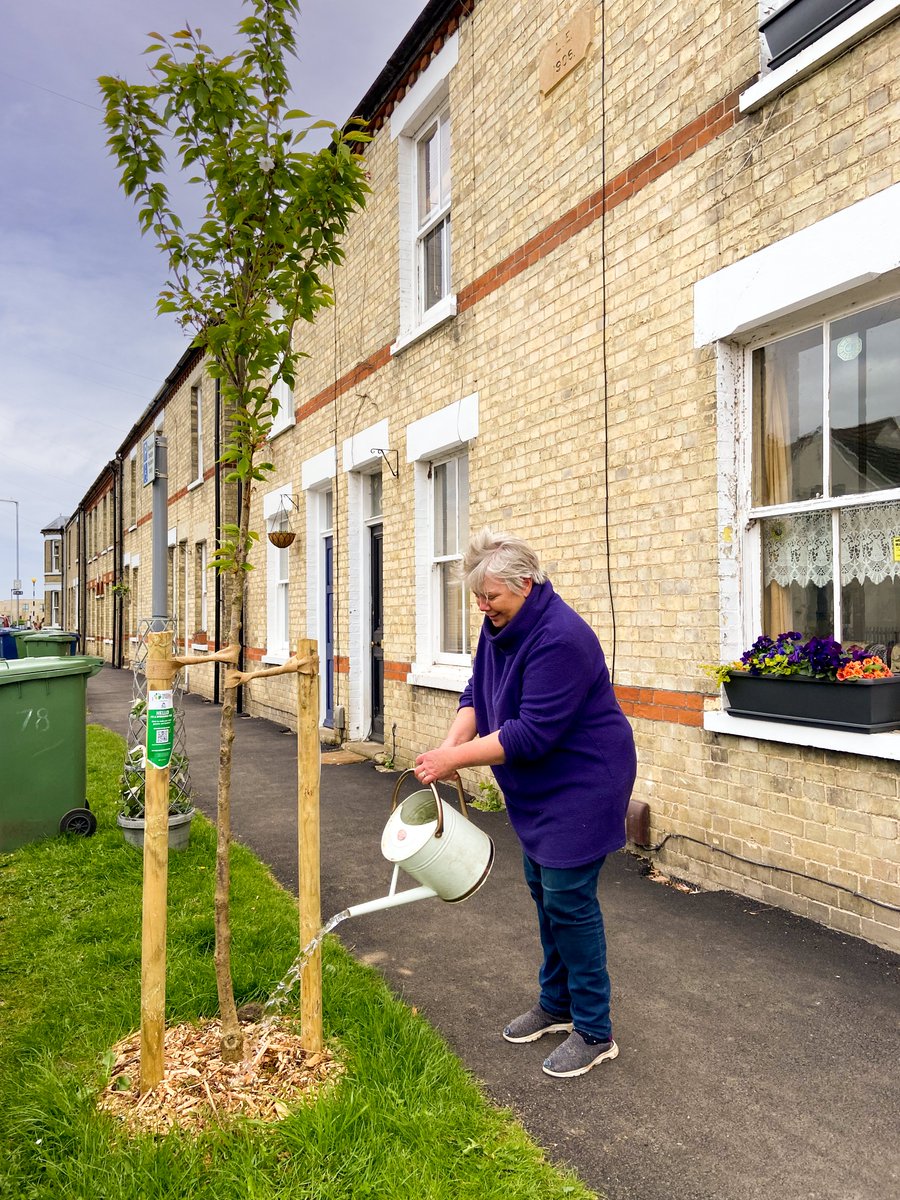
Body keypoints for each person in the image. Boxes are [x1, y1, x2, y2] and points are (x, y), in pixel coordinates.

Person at [415, 529, 637, 1079]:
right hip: (539, 785)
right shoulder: (499, 628)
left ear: (526, 584)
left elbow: (530, 734)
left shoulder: (560, 637)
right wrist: (446, 749)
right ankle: (556, 1003)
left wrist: (456, 762)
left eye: (492, 597)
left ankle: (594, 1029)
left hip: (585, 780)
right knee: (543, 889)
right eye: (477, 598)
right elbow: (475, 695)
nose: (483, 607)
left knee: (569, 899)